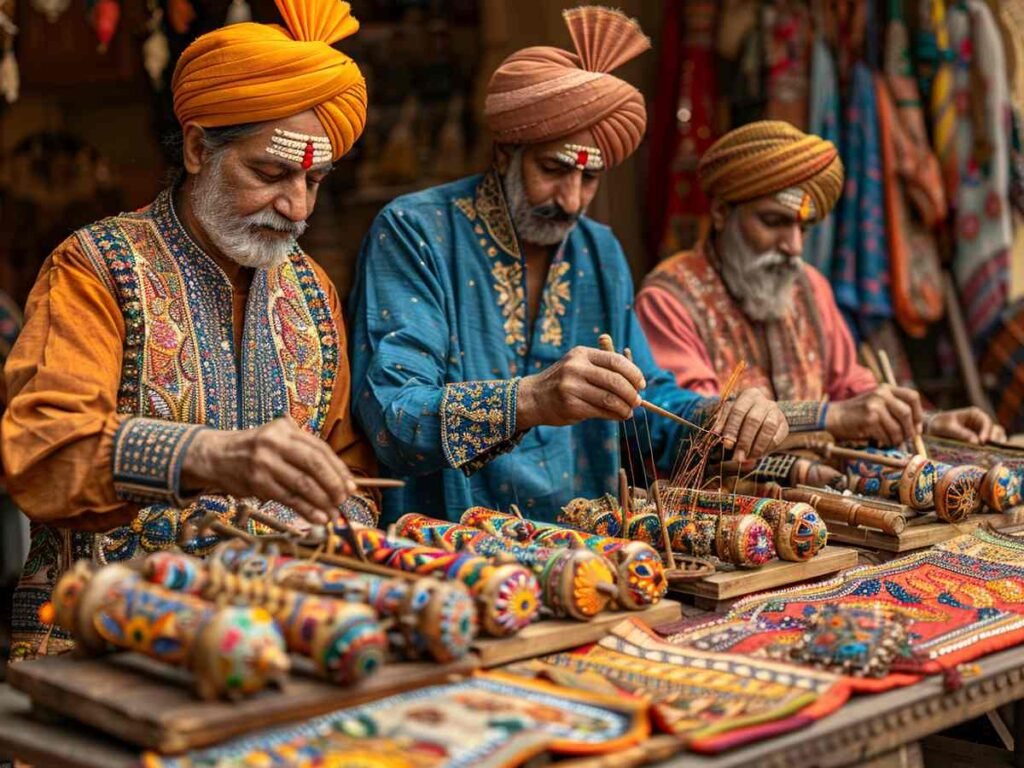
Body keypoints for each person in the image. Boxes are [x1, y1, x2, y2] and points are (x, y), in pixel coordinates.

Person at [2, 0, 376, 661]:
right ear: (201, 147)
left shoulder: (313, 291)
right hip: (105, 652)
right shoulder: (97, 268)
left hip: (273, 652)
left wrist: (343, 519)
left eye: (314, 181)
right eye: (271, 172)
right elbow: (43, 451)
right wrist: (207, 455)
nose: (297, 207)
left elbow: (347, 466)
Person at [349, 7, 788, 525]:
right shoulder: (414, 231)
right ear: (506, 151)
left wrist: (722, 417)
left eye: (590, 179)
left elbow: (646, 406)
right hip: (450, 547)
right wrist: (531, 399)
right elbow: (392, 418)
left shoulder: (598, 250)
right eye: (554, 170)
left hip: (588, 546)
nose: (572, 199)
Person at [636, 120, 1006, 448]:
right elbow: (699, 427)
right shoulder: (669, 299)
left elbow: (854, 393)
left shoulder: (809, 286)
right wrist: (832, 417)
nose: (793, 246)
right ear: (720, 213)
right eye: (773, 222)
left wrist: (930, 423)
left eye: (802, 228)